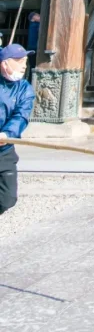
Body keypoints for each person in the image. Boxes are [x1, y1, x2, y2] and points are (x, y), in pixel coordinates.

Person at [0, 44, 35, 215]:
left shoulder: (25, 89)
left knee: (8, 198)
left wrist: (7, 134)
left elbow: (21, 115)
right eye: (19, 61)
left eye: (25, 61)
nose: (23, 65)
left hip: (4, 149)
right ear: (4, 64)